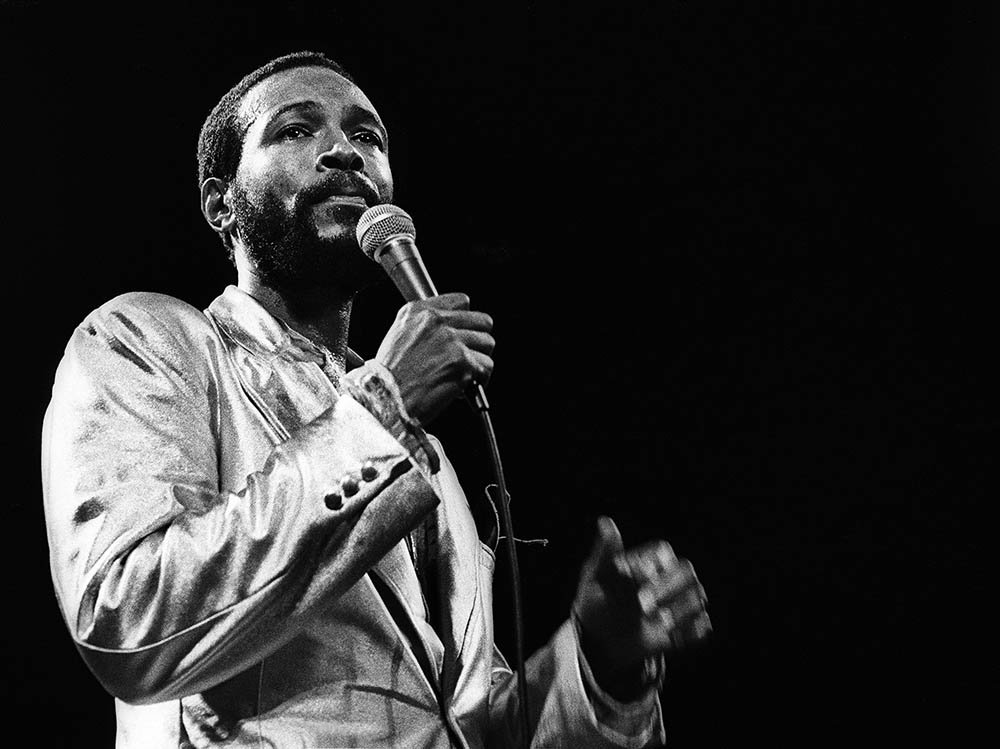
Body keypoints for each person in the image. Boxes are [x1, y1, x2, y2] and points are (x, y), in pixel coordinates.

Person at [41, 51, 711, 748]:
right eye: (296, 131)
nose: (342, 152)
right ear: (221, 202)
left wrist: (599, 666)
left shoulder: (427, 459)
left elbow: (466, 722)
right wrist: (384, 407)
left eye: (368, 138)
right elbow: (129, 617)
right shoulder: (147, 338)